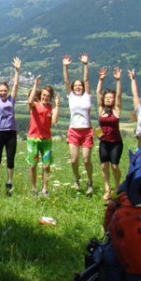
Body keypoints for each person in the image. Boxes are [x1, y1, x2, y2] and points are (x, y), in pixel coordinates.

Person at [0, 55, 21, 196]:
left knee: (11, 158)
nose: (2, 92)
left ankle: (9, 182)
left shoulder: (11, 100)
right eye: (0, 90)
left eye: (4, 90)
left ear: (7, 91)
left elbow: (16, 85)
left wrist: (17, 71)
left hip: (11, 132)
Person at [63, 53, 94, 195]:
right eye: (75, 86)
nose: (78, 87)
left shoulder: (87, 96)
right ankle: (76, 178)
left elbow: (87, 79)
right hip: (74, 130)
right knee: (74, 159)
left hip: (87, 131)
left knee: (86, 159)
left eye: (79, 85)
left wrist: (85, 64)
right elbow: (66, 81)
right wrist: (65, 67)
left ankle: (89, 182)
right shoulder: (71, 97)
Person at [26, 75, 60, 197]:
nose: (45, 97)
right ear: (41, 95)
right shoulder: (35, 105)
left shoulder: (51, 108)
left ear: (50, 97)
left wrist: (57, 105)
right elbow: (29, 101)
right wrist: (35, 85)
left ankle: (45, 189)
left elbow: (55, 120)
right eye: (44, 95)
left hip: (46, 139)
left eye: (48, 96)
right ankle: (34, 189)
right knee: (33, 165)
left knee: (46, 166)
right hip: (33, 139)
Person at [96, 67, 123, 200]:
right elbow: (98, 92)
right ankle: (107, 188)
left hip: (116, 143)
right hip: (104, 142)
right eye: (106, 98)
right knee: (104, 165)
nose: (108, 99)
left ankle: (118, 186)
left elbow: (119, 95)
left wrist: (118, 80)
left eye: (110, 98)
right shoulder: (101, 109)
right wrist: (101, 80)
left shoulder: (116, 110)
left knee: (114, 166)